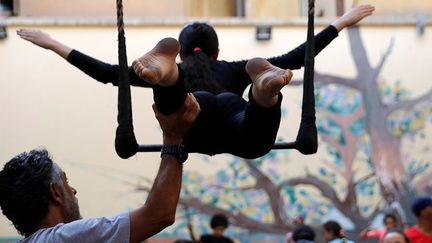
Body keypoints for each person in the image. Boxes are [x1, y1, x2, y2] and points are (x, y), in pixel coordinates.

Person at [16, 4, 375, 159]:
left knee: (175, 101)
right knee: (258, 120)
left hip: (193, 117)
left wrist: (54, 44)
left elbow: (108, 73)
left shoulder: (192, 69)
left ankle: (168, 75)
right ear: (215, 54)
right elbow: (300, 57)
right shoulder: (233, 69)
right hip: (238, 117)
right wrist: (340, 21)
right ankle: (264, 90)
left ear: (185, 54)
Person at [0, 93, 201, 243]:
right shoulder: (64, 238)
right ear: (56, 193)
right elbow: (159, 214)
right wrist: (173, 137)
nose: (73, 190)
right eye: (66, 182)